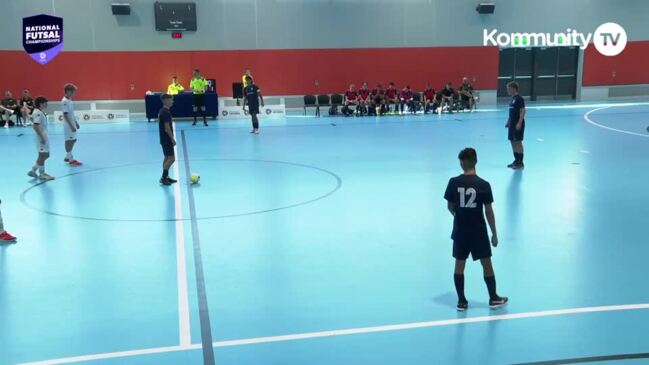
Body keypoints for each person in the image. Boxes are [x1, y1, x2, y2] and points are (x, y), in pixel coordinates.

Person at [444, 148, 508, 311]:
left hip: (460, 231)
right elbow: (488, 212)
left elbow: (450, 206)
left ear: (461, 163)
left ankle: (461, 301)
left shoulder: (453, 182)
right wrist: (494, 233)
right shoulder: (484, 185)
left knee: (459, 265)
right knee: (486, 264)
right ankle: (493, 298)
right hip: (478, 231)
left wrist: (458, 216)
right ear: (476, 161)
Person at [27, 96, 54, 181]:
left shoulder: (38, 112)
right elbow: (35, 126)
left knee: (46, 155)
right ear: (41, 104)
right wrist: (42, 137)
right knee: (42, 155)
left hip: (44, 135)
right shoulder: (37, 112)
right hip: (41, 137)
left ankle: (33, 170)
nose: (47, 104)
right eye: (46, 103)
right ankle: (42, 174)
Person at [158, 94, 177, 186]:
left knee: (166, 157)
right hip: (167, 139)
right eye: (171, 100)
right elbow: (167, 128)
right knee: (172, 158)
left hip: (163, 139)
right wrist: (172, 139)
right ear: (166, 100)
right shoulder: (166, 113)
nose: (172, 102)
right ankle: (163, 177)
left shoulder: (162, 111)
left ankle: (166, 176)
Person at [506, 81, 526, 169]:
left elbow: (523, 111)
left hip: (517, 124)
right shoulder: (512, 99)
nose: (508, 90)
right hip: (512, 124)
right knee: (512, 142)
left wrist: (519, 122)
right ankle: (516, 160)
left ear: (514, 89)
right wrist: (508, 121)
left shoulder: (519, 99)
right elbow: (511, 112)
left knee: (518, 142)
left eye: (509, 89)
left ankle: (520, 162)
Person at [62, 83, 82, 166]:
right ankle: (70, 159)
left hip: (72, 123)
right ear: (68, 91)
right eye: (73, 92)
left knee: (74, 139)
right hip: (68, 125)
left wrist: (76, 123)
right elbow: (65, 115)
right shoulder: (65, 101)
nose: (74, 93)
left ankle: (68, 156)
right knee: (69, 140)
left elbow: (71, 114)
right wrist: (71, 126)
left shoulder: (70, 100)